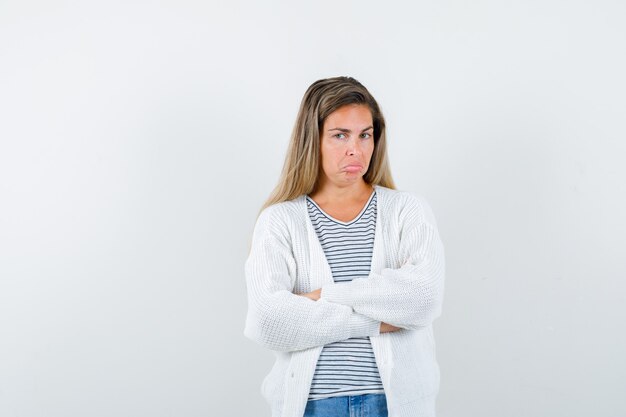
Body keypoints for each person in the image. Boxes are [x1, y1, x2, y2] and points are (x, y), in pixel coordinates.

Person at [244, 76, 445, 417]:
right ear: (313, 140)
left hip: (394, 404)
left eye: (365, 134)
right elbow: (269, 321)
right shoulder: (279, 221)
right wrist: (375, 320)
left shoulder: (407, 211)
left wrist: (323, 295)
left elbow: (423, 299)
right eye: (340, 135)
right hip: (312, 406)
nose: (356, 149)